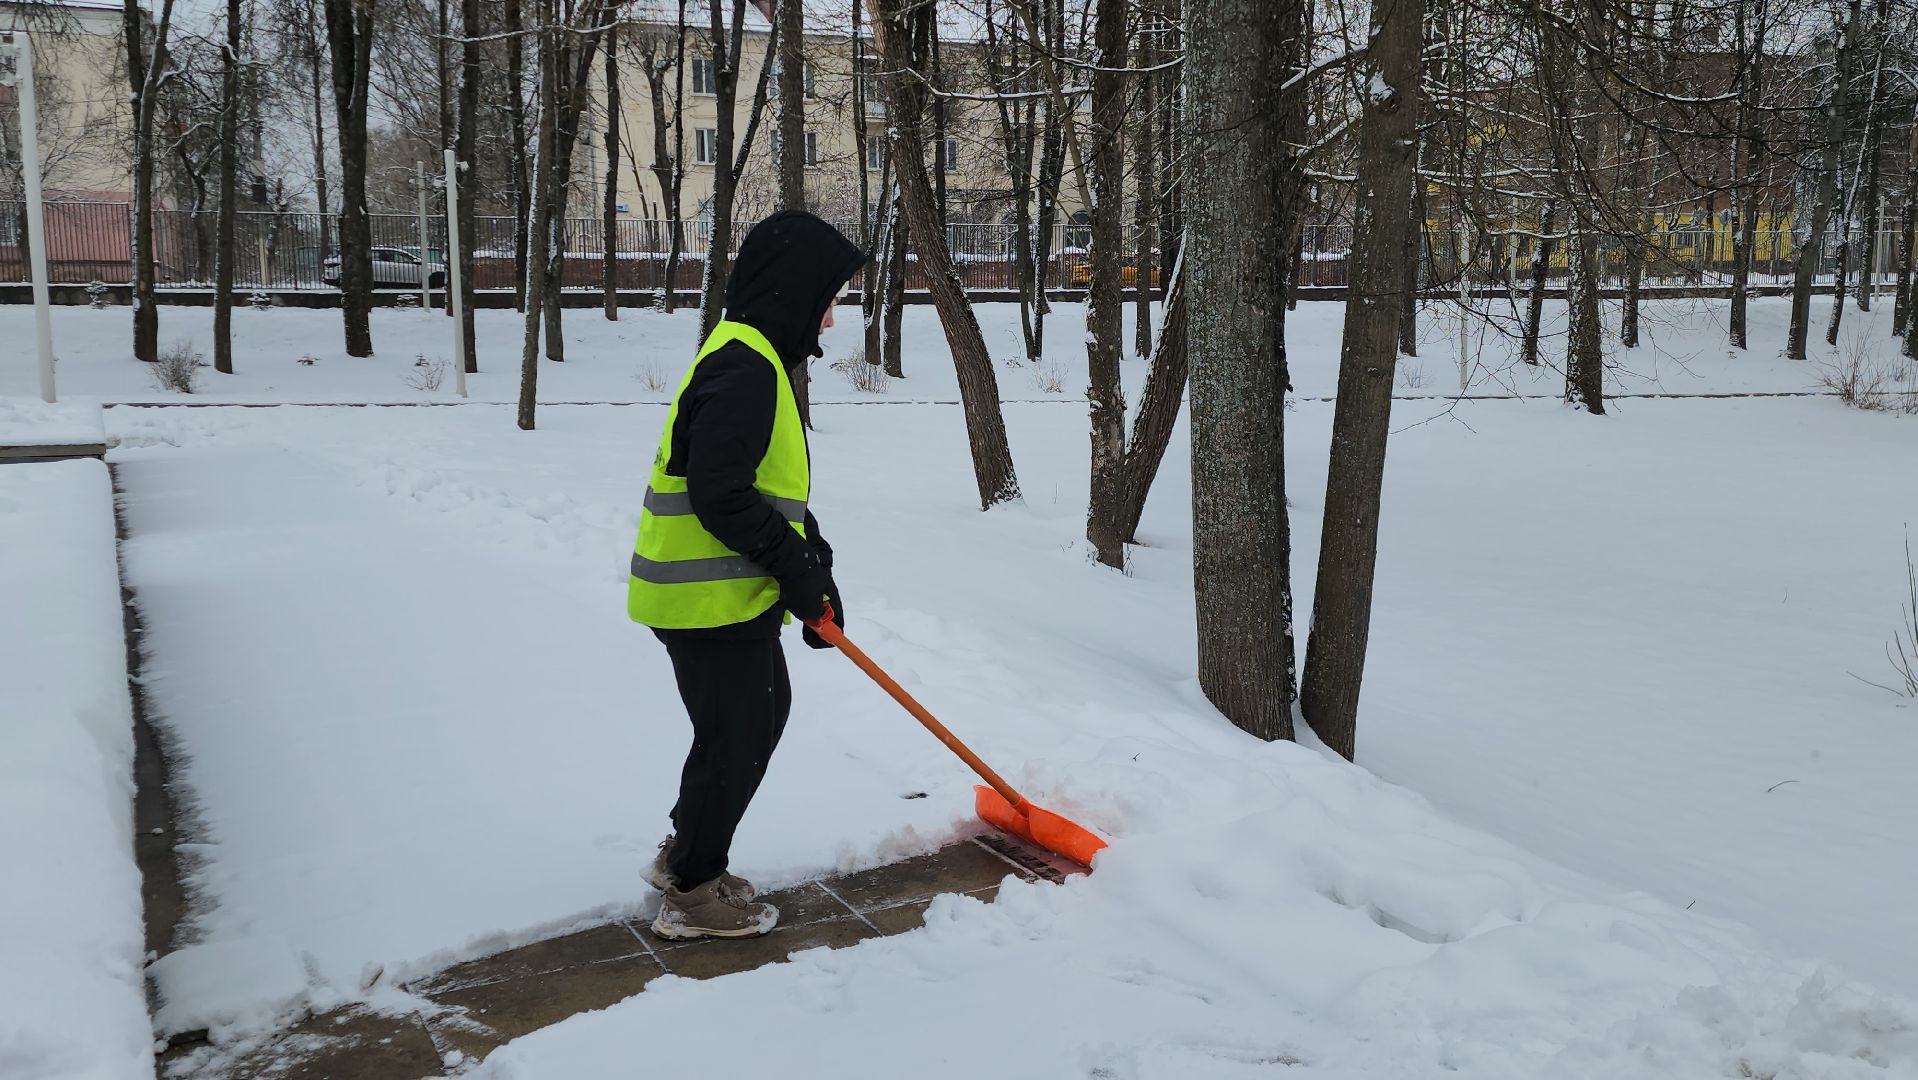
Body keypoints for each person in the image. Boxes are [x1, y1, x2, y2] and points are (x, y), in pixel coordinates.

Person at [627, 210, 865, 940]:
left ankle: (688, 859)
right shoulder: (744, 367)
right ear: (792, 291)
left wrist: (814, 567)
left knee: (747, 726)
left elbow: (767, 493)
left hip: (722, 595)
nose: (829, 320)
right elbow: (719, 491)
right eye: (827, 299)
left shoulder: (749, 357)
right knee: (738, 734)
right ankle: (695, 890)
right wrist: (794, 571)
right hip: (706, 597)